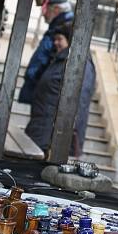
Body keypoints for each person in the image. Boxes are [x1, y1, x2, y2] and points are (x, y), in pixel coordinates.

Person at [25, 23, 96, 156]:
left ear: (70, 40)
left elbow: (79, 102)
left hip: (52, 138)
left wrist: (65, 139)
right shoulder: (60, 60)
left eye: (60, 39)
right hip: (42, 131)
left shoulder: (80, 64)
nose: (55, 42)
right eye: (54, 39)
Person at [18, 0, 74, 105]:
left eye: (46, 9)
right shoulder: (57, 27)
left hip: (44, 93)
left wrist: (36, 77)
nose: (43, 13)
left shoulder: (63, 30)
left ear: (57, 9)